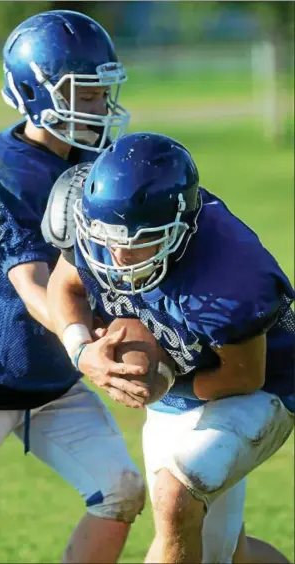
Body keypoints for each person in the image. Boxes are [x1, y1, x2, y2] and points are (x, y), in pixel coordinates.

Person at [46, 132, 295, 564]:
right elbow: (62, 286)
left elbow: (242, 376)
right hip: (183, 382)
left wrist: (158, 381)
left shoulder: (230, 272)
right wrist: (83, 352)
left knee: (175, 496)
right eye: (109, 236)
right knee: (227, 552)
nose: (120, 253)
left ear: (182, 227)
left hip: (261, 387)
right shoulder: (93, 223)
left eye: (140, 238)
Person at [0, 11, 147, 564]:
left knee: (122, 490)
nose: (97, 108)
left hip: (55, 381)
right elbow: (32, 281)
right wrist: (83, 346)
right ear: (31, 91)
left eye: (100, 93)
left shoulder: (97, 162)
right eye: (82, 94)